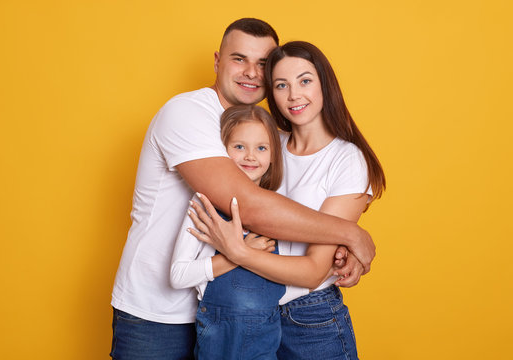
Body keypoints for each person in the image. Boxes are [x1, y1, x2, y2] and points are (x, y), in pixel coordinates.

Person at [110, 17, 375, 360]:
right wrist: (351, 235)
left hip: (229, 311)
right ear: (218, 61)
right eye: (239, 59)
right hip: (158, 313)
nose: (251, 72)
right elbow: (249, 206)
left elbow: (304, 206)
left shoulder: (255, 138)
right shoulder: (187, 113)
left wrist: (338, 244)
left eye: (262, 64)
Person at [187, 41, 386, 359]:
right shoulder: (264, 146)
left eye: (305, 81)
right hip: (252, 315)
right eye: (281, 85)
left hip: (310, 317)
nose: (294, 95)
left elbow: (311, 271)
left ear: (325, 84)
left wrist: (237, 252)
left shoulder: (347, 160)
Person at [171, 104, 285, 359]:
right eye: (239, 146)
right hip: (220, 342)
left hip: (267, 342)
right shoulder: (204, 204)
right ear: (220, 151)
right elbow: (178, 276)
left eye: (261, 148)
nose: (250, 156)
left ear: (273, 155)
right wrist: (239, 253)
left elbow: (292, 277)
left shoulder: (278, 209)